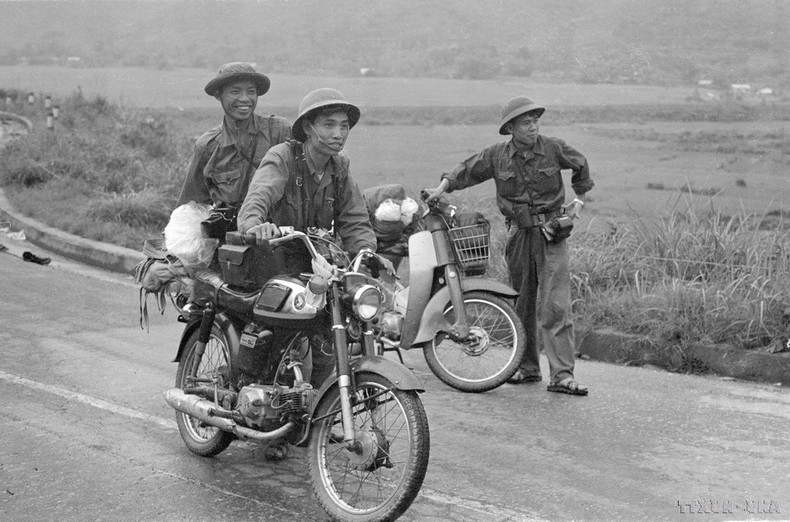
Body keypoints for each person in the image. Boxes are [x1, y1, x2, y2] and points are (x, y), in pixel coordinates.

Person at [425, 95, 593, 396]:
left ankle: (562, 376)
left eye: (535, 121)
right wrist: (441, 189)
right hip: (518, 234)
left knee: (556, 304)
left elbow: (580, 164)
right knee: (522, 302)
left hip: (551, 233)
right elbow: (465, 170)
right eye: (526, 122)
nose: (533, 127)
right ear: (511, 128)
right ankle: (527, 369)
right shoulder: (496, 155)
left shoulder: (554, 148)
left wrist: (578, 199)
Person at [237, 87, 378, 259]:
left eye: (344, 126)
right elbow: (259, 195)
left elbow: (355, 218)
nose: (338, 134)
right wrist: (254, 226)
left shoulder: (339, 167)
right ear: (307, 128)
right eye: (328, 125)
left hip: (318, 261)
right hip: (273, 259)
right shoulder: (283, 157)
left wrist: (366, 251)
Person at [175, 62, 291, 214]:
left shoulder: (279, 131)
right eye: (235, 92)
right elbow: (191, 206)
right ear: (218, 95)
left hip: (278, 234)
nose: (244, 99)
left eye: (251, 91)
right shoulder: (208, 146)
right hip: (231, 235)